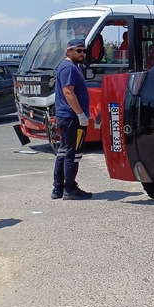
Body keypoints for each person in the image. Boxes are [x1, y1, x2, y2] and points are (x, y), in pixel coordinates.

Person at [52, 38, 93, 200]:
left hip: (67, 116)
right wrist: (80, 114)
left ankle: (58, 188)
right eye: (78, 50)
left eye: (84, 50)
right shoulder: (69, 68)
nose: (82, 53)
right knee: (73, 153)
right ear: (69, 51)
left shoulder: (72, 67)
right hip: (71, 117)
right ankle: (70, 187)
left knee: (64, 151)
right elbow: (68, 92)